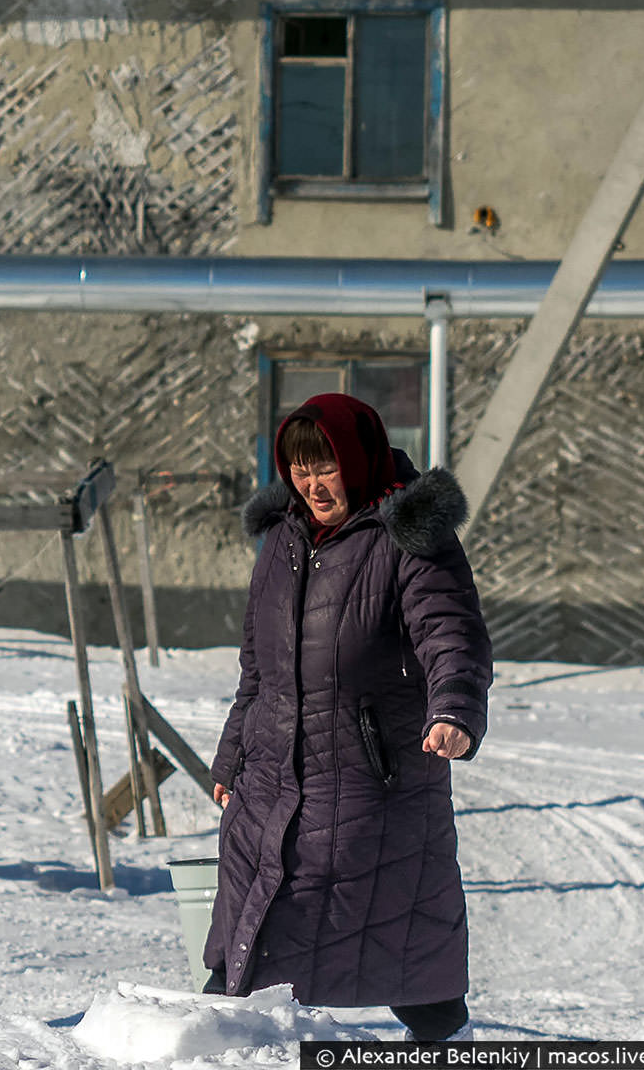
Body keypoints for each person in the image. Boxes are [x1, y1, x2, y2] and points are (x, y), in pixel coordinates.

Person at [201, 392, 492, 1043]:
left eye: (324, 465)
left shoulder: (408, 539)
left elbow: (454, 635)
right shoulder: (282, 540)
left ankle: (447, 1039)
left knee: (405, 938)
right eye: (299, 469)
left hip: (372, 784)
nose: (310, 483)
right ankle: (212, 1044)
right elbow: (258, 670)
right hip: (272, 782)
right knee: (243, 942)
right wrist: (232, 759)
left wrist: (454, 708)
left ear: (357, 459)